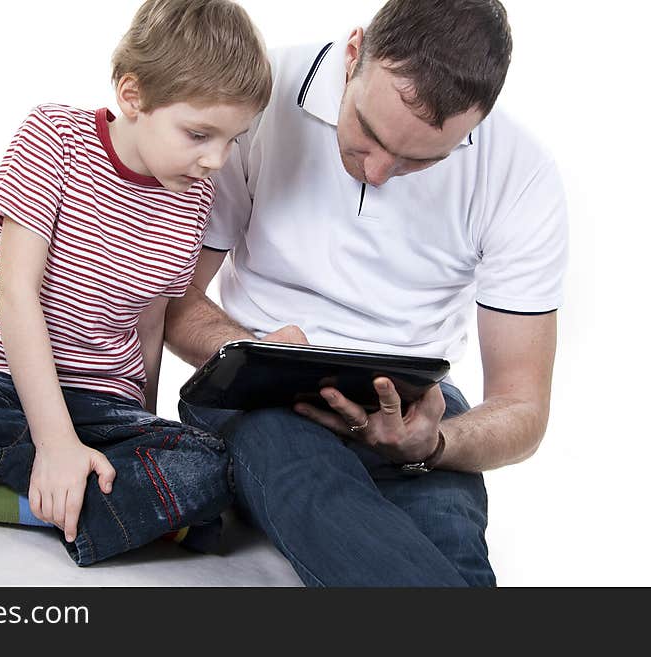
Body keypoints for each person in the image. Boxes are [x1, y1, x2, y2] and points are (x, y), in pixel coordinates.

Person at [0, 0, 272, 567]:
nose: (216, 159)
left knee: (211, 468)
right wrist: (55, 442)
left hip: (98, 405)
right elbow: (17, 295)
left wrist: (145, 425)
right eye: (198, 134)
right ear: (132, 95)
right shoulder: (54, 137)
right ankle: (103, 499)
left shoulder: (194, 190)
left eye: (233, 140)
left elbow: (151, 320)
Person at [167, 0, 568, 586]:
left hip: (413, 412)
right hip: (262, 398)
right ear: (353, 55)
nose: (378, 172)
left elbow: (524, 406)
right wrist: (255, 350)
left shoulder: (519, 172)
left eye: (420, 160)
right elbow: (169, 297)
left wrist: (434, 443)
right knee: (299, 470)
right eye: (370, 135)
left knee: (457, 561)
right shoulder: (253, 99)